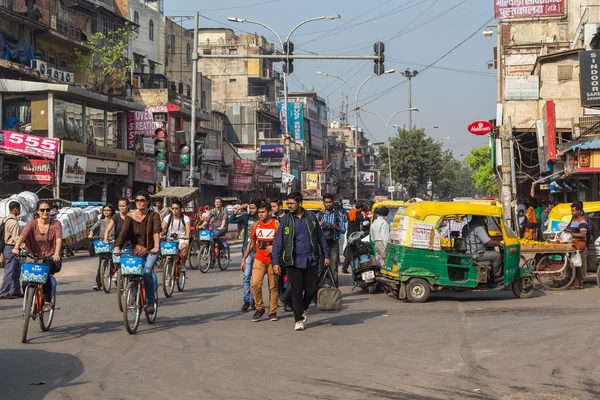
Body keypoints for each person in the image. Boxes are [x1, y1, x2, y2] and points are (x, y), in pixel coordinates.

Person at [272, 192, 330, 331]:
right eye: (288, 203)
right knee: (296, 291)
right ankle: (298, 319)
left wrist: (326, 254)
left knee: (311, 290)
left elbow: (320, 237)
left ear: (300, 203)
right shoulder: (285, 220)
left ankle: (301, 308)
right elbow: (278, 242)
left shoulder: (311, 217)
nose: (289, 206)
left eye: (292, 203)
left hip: (311, 260)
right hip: (293, 261)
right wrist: (275, 261)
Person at [114, 191, 162, 315]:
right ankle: (133, 294)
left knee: (146, 272)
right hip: (136, 250)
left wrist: (156, 246)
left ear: (147, 202)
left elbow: (156, 232)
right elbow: (123, 233)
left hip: (151, 249)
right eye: (137, 200)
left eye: (142, 200)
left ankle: (150, 302)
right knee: (131, 272)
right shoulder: (130, 216)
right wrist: (117, 247)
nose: (139, 202)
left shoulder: (154, 215)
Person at [12, 200, 62, 312]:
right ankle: (29, 300)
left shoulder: (56, 224)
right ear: (37, 211)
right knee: (26, 281)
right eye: (42, 210)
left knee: (46, 277)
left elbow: (58, 239)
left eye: (47, 210)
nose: (45, 212)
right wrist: (16, 247)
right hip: (33, 256)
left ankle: (47, 301)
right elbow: (23, 236)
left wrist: (57, 253)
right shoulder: (32, 224)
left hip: (49, 256)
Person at [241, 202, 280, 322]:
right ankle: (260, 308)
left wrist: (274, 247)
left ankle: (272, 311)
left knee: (273, 287)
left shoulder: (277, 224)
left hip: (273, 260)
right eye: (259, 212)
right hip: (259, 258)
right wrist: (244, 259)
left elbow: (283, 242)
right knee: (255, 284)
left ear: (269, 212)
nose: (261, 214)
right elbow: (251, 243)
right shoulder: (255, 225)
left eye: (263, 212)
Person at [229, 200, 258, 311]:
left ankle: (254, 300)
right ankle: (246, 300)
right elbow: (231, 220)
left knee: (256, 279)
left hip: (259, 252)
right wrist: (238, 209)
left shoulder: (260, 219)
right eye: (249, 208)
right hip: (248, 251)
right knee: (246, 277)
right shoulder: (246, 218)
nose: (251, 210)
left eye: (253, 208)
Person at [462, 215, 504, 285]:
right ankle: (496, 277)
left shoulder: (466, 226)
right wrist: (499, 243)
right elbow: (488, 242)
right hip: (477, 254)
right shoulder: (478, 227)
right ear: (480, 217)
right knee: (497, 256)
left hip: (468, 252)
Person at [317, 193, 346, 286]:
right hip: (322, 243)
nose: (328, 204)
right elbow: (314, 230)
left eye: (329, 202)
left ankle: (334, 290)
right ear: (323, 203)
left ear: (333, 202)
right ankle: (319, 290)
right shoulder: (319, 215)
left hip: (334, 243)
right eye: (326, 202)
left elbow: (343, 230)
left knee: (333, 268)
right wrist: (320, 225)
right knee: (320, 268)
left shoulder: (338, 214)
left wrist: (334, 226)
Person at [89, 204, 115, 291]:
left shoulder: (114, 220)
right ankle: (98, 284)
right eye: (105, 210)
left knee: (115, 264)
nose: (106, 212)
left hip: (113, 243)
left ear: (112, 211)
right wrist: (91, 234)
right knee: (101, 265)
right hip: (102, 244)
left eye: (108, 210)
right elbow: (93, 228)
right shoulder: (101, 221)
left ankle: (118, 281)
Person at [0, 201, 22, 299]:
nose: (20, 210)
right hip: (11, 247)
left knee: (16, 270)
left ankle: (16, 291)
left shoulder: (5, 219)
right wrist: (25, 245)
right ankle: (4, 292)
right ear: (15, 209)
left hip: (6, 247)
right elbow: (16, 237)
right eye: (19, 209)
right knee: (9, 270)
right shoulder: (14, 222)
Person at [161, 200, 191, 268]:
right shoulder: (168, 218)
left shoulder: (185, 218)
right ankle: (168, 276)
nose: (174, 210)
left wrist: (187, 235)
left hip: (182, 239)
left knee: (184, 247)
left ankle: (183, 264)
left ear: (180, 209)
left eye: (176, 208)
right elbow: (162, 229)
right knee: (168, 257)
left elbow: (188, 229)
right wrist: (160, 234)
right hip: (170, 239)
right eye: (173, 208)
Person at [567, 201, 588, 290]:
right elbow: (568, 229)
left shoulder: (582, 220)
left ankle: (580, 283)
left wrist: (571, 234)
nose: (572, 212)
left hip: (580, 246)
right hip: (574, 245)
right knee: (574, 265)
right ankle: (576, 283)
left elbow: (583, 234)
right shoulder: (573, 220)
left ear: (579, 211)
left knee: (580, 265)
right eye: (571, 211)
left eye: (574, 211)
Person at [342, 202, 363, 274]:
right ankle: (356, 267)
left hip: (349, 234)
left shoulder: (349, 213)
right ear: (360, 208)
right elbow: (360, 227)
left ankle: (345, 267)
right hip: (356, 235)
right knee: (356, 251)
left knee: (349, 250)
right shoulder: (360, 215)